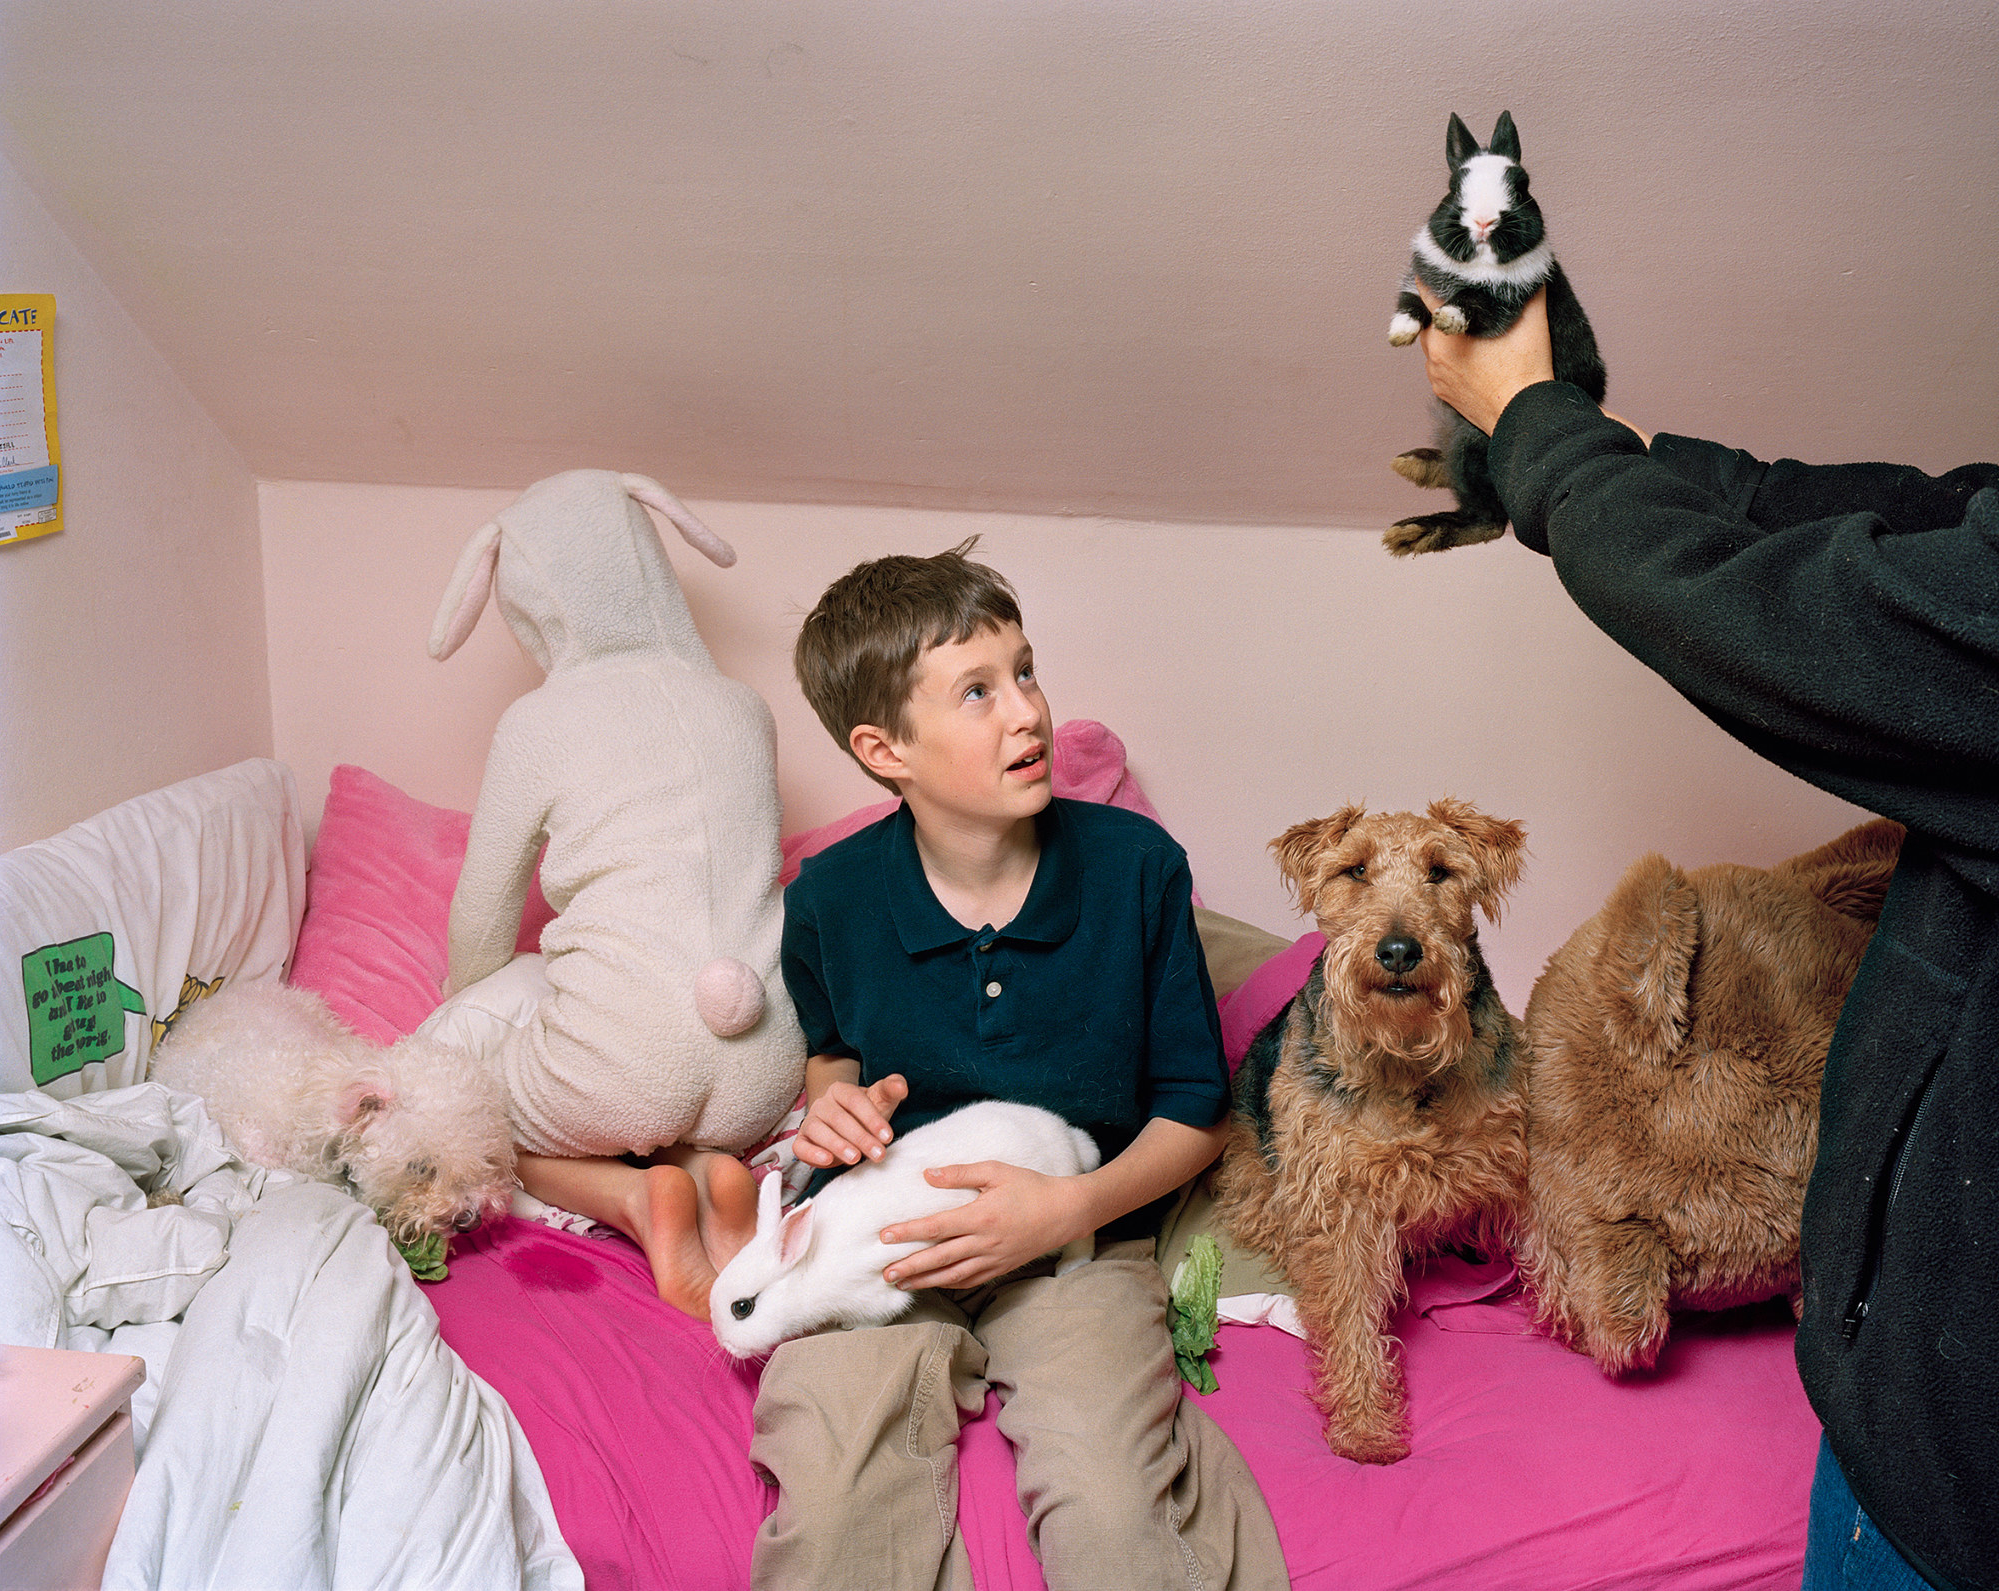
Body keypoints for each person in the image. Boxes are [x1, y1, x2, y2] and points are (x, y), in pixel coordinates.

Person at [1413, 286, 1999, 1591]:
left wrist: (1538, 427)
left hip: (1948, 1495)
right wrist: (1597, 445)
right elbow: (1921, 517)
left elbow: (1771, 607)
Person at [750, 541, 1287, 1590]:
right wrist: (836, 1109)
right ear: (883, 747)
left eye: (1025, 672)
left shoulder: (1136, 871)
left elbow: (1196, 1107)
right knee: (831, 1494)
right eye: (977, 693)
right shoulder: (829, 899)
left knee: (1115, 1506)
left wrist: (1060, 1211)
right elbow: (833, 1052)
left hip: (1075, 1242)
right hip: (884, 1234)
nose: (1027, 713)